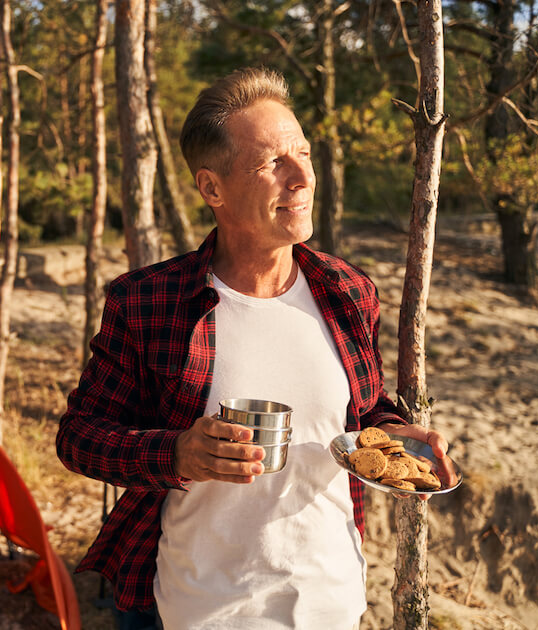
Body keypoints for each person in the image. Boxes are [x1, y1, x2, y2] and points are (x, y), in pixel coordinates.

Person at [55, 67, 457, 630]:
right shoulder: (148, 302)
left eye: (305, 155)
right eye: (273, 164)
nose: (302, 178)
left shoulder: (347, 293)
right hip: (195, 608)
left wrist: (397, 435)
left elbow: (359, 417)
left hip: (330, 600)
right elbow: (78, 439)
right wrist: (176, 453)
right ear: (212, 188)